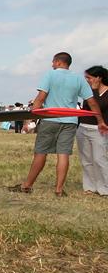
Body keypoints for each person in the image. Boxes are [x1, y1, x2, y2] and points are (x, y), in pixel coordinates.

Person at [11, 52, 108, 196]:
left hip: (51, 120)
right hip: (70, 121)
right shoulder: (77, 79)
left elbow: (40, 97)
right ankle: (59, 189)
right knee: (63, 155)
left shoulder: (50, 75)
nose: (52, 64)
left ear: (58, 62)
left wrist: (31, 119)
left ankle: (27, 185)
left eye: (53, 62)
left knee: (41, 153)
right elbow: (92, 103)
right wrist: (100, 121)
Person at [76, 65, 108, 196]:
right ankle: (89, 187)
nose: (87, 80)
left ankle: (104, 188)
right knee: (86, 160)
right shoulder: (88, 92)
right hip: (83, 128)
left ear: (98, 78)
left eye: (88, 77)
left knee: (100, 159)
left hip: (100, 130)